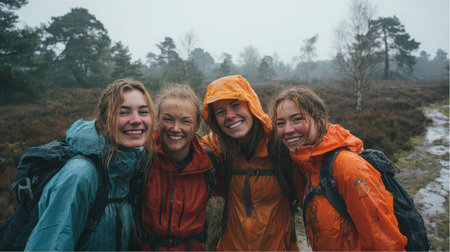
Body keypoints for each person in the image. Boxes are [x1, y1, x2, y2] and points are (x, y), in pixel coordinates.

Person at [268, 86, 408, 251]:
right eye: (280, 123)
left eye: (297, 119)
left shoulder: (348, 167)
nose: (288, 130)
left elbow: (385, 243)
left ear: (320, 120)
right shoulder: (307, 166)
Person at [25, 79, 155, 251]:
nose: (136, 120)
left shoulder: (133, 167)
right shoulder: (80, 175)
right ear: (101, 120)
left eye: (143, 112)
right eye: (123, 113)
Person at [201, 75, 299, 251]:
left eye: (236, 105)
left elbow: (320, 140)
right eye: (220, 112)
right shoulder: (216, 146)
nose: (230, 116)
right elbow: (182, 148)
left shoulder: (280, 141)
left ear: (251, 105)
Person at [139, 84, 215, 251]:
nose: (175, 128)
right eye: (168, 119)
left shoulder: (209, 163)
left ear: (196, 126)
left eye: (185, 121)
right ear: (157, 120)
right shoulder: (142, 157)